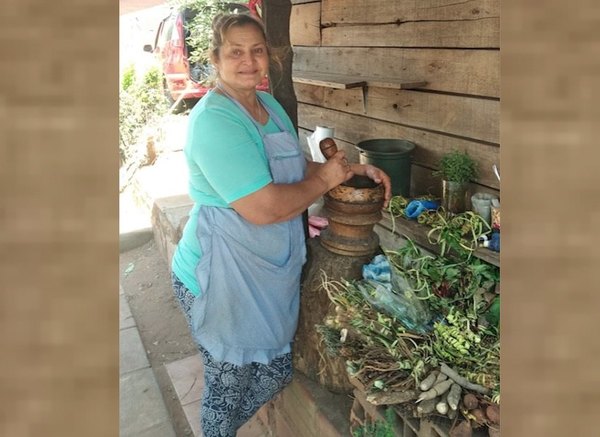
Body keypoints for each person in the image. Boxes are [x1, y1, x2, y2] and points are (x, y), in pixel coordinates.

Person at [170, 12, 392, 437]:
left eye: (257, 51)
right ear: (215, 59)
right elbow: (265, 207)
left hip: (265, 269)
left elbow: (289, 167)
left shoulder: (267, 104)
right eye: (235, 52)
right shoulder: (217, 120)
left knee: (274, 374)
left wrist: (354, 171)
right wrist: (326, 178)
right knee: (227, 386)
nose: (248, 61)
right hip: (221, 275)